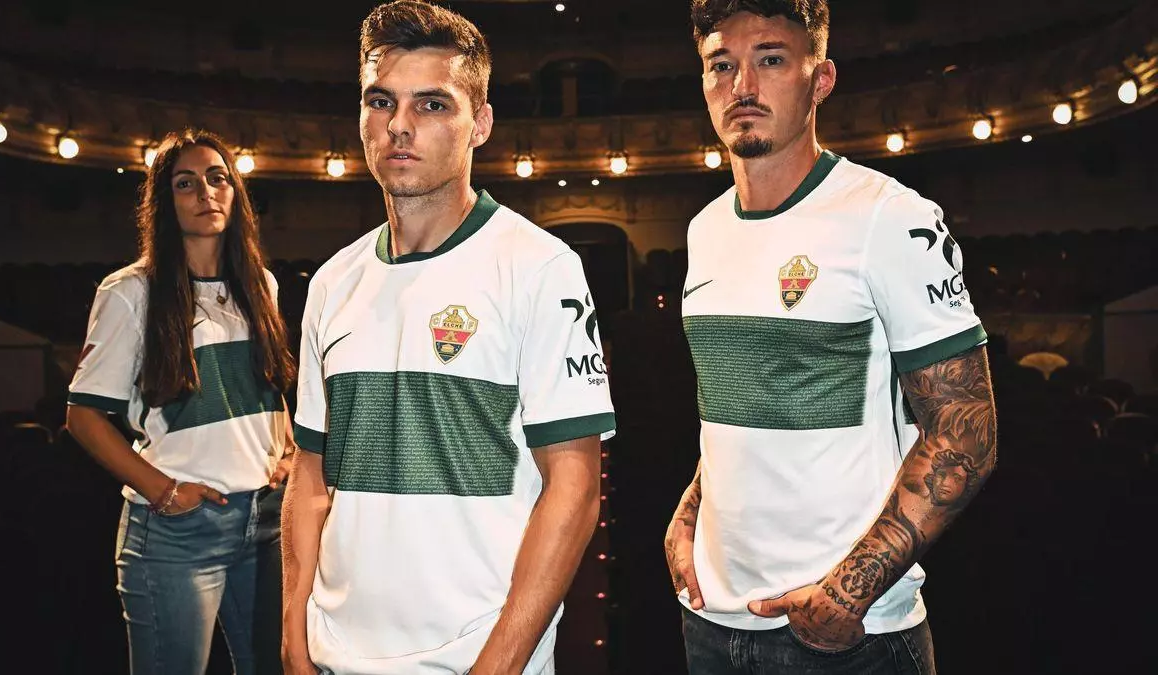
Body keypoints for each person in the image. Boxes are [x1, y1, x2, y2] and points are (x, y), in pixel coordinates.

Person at [280, 2, 615, 674]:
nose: (399, 125)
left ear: (480, 123)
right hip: (336, 655)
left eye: (432, 104)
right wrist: (293, 631)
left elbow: (574, 488)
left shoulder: (539, 267)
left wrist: (498, 664)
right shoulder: (333, 281)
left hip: (478, 658)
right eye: (381, 101)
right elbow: (310, 473)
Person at [666, 1, 998, 673]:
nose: (742, 86)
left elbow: (967, 432)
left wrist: (847, 594)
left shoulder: (890, 217)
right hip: (710, 622)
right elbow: (747, 398)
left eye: (770, 60)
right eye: (722, 66)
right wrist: (691, 509)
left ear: (819, 80)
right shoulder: (705, 229)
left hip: (848, 635)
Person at [66, 129, 297, 675]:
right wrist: (164, 491)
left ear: (235, 192)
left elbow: (266, 391)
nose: (206, 193)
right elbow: (82, 417)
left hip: (264, 521)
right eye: (185, 183)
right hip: (179, 531)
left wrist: (285, 452)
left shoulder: (260, 284)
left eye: (218, 178)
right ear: (164, 202)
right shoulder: (131, 291)